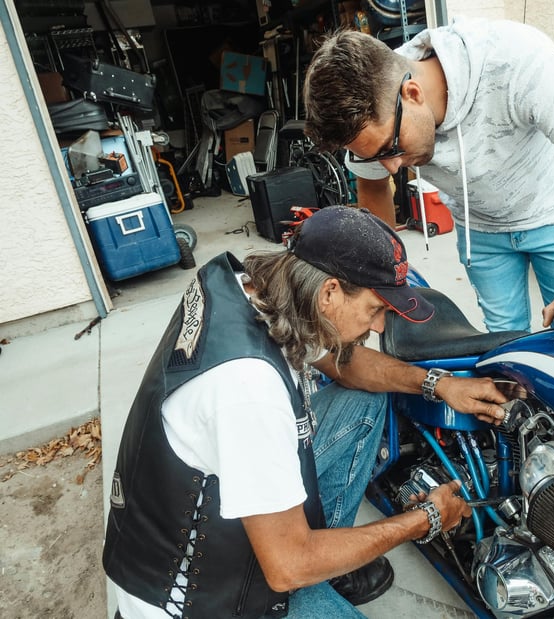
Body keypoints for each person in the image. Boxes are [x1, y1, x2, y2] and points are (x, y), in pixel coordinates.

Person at [102, 205, 510, 618]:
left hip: (206, 521)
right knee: (298, 567)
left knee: (366, 397)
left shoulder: (257, 292)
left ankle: (328, 559)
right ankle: (321, 560)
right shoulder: (249, 390)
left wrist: (438, 383)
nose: (380, 328)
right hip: (200, 595)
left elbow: (348, 367)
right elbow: (286, 567)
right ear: (330, 292)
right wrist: (425, 519)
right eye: (375, 310)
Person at [303, 18, 554, 335]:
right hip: (481, 232)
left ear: (412, 94)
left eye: (390, 149)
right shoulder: (374, 107)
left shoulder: (513, 60)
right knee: (505, 346)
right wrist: (381, 278)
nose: (393, 167)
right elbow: (374, 187)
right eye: (375, 156)